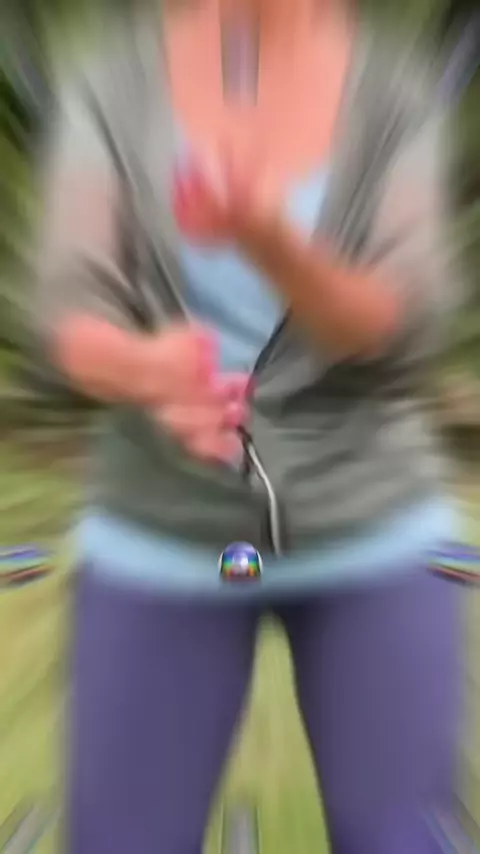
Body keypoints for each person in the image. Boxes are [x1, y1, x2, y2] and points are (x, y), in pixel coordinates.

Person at [35, 0, 463, 851]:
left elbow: (400, 319)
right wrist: (147, 371)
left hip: (369, 524)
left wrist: (270, 240)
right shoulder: (113, 88)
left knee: (402, 837)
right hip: (159, 527)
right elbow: (71, 305)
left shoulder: (394, 94)